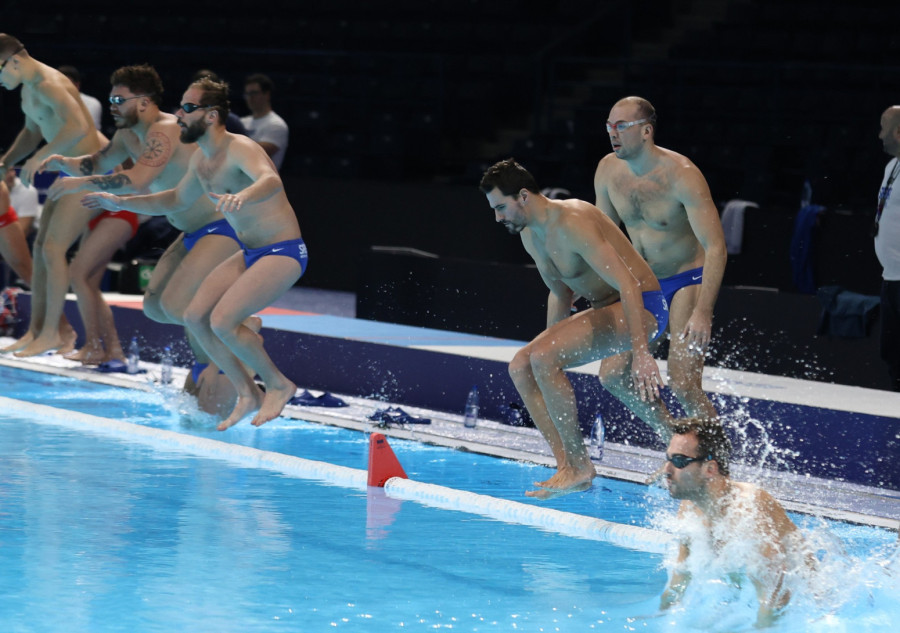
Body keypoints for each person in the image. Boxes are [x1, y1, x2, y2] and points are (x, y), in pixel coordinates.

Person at [82, 77, 307, 431]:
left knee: (222, 321)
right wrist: (120, 201)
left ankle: (278, 384)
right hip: (251, 251)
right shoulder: (202, 160)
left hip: (283, 251)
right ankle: (247, 392)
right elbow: (173, 199)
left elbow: (270, 180)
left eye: (188, 108)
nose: (179, 115)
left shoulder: (239, 147)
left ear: (212, 115)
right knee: (195, 316)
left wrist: (242, 197)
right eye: (180, 107)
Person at [479, 158, 670, 498]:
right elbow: (560, 293)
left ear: (523, 196)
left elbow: (628, 283)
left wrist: (642, 354)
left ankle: (580, 465)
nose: (497, 217)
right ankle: (566, 465)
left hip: (644, 306)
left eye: (500, 207)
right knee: (521, 366)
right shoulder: (531, 236)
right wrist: (549, 348)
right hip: (606, 309)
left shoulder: (574, 220)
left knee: (545, 358)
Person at [39, 64, 242, 374]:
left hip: (220, 227)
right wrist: (63, 162)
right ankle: (222, 344)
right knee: (156, 306)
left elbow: (137, 179)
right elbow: (97, 162)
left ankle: (234, 338)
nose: (112, 106)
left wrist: (79, 183)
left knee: (178, 305)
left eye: (119, 100)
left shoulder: (166, 129)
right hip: (189, 232)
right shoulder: (127, 135)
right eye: (111, 100)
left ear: (145, 102)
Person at [594, 96, 726, 427]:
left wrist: (703, 312)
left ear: (646, 131)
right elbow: (601, 241)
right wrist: (592, 289)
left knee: (683, 384)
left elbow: (716, 248)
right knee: (613, 376)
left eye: (621, 126)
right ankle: (673, 438)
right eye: (609, 126)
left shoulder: (683, 175)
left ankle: (719, 455)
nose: (613, 133)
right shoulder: (607, 170)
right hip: (644, 285)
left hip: (686, 281)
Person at [0, 34, 106, 357]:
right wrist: (6, 161)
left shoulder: (49, 83)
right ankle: (36, 331)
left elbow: (79, 128)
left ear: (12, 61)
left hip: (88, 171)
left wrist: (39, 157)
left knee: (53, 248)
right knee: (42, 248)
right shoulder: (29, 89)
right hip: (68, 173)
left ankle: (53, 334)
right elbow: (32, 131)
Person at [659, 418, 814, 627]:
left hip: (809, 608)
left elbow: (777, 594)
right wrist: (660, 619)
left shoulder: (747, 509)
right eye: (668, 459)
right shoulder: (689, 507)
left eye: (678, 461)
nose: (667, 470)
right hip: (749, 605)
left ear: (710, 469)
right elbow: (681, 576)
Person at [875, 105, 900, 392]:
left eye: (884, 127)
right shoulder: (891, 167)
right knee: (892, 353)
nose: (880, 135)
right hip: (891, 278)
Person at [241, 73, 288, 170]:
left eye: (254, 93)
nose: (250, 98)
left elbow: (256, 154)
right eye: (247, 94)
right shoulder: (242, 122)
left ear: (267, 94)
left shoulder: (276, 124)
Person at [59, 65, 103, 130]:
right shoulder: (48, 101)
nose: (62, 87)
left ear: (77, 85)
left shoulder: (92, 103)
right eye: (59, 84)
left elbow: (88, 131)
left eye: (65, 84)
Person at [6, 169, 41, 239]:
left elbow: (22, 233)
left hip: (23, 239)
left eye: (11, 170)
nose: (11, 174)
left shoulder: (28, 190)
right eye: (5, 171)